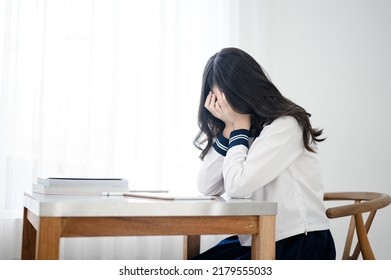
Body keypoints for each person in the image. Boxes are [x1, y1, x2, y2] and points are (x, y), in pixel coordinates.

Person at [192, 47, 336, 260]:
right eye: (218, 102)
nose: (224, 107)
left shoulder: (286, 125)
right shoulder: (242, 128)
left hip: (299, 241)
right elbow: (207, 186)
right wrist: (228, 130)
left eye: (226, 99)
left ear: (245, 89)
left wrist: (238, 126)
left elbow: (237, 186)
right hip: (260, 237)